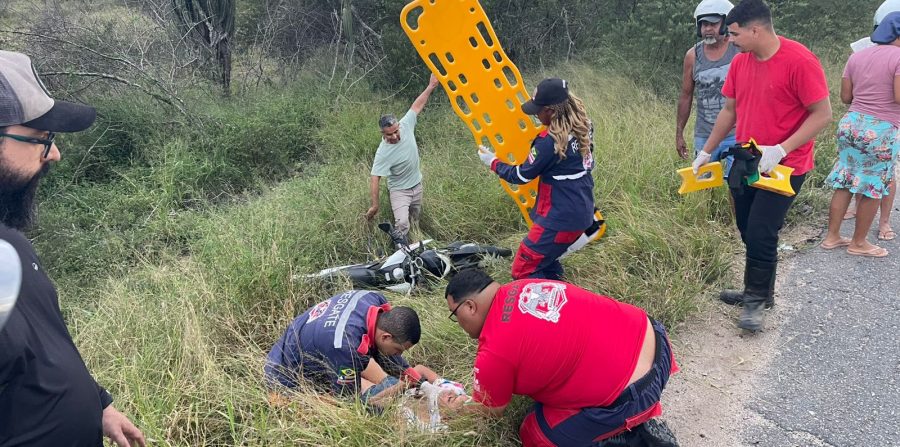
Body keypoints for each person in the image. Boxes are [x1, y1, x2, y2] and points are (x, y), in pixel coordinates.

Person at [0, 51, 145, 447]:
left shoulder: (12, 243)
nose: (55, 153)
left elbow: (46, 341)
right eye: (41, 139)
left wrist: (100, 404)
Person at [691, 0, 832, 331]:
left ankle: (755, 300)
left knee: (761, 230)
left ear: (755, 30)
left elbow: (823, 114)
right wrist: (706, 152)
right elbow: (729, 110)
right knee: (746, 226)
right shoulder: (741, 62)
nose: (730, 39)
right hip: (748, 160)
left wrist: (781, 149)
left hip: (786, 165)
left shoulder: (800, 61)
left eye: (734, 33)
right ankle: (760, 290)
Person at [438, 269, 679, 446]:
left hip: (637, 391)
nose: (458, 322)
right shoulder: (523, 286)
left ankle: (636, 439)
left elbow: (489, 411)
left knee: (536, 433)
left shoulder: (493, 351)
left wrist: (456, 407)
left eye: (454, 314)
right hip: (656, 339)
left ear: (470, 307)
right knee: (551, 401)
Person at [478, 78, 596, 280]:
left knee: (522, 270)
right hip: (583, 210)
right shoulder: (585, 126)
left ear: (550, 111)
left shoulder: (548, 143)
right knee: (546, 259)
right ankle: (555, 282)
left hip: (559, 218)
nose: (536, 116)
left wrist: (493, 162)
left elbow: (521, 175)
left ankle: (547, 295)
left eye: (538, 111)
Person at [264, 290, 438, 408]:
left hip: (307, 332)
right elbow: (350, 401)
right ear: (385, 337)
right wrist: (393, 395)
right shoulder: (346, 347)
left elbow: (387, 356)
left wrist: (412, 376)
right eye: (398, 350)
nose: (398, 355)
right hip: (285, 369)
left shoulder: (374, 298)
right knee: (329, 406)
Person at [821, 12, 900, 258]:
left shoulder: (858, 56)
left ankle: (832, 237)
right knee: (873, 184)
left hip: (851, 124)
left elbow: (846, 97)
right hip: (881, 130)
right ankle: (858, 242)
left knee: (846, 178)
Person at [365, 74, 441, 243]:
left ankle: (415, 246)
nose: (394, 136)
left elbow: (417, 105)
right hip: (399, 191)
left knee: (414, 221)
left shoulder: (406, 124)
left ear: (399, 125)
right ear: (382, 133)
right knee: (402, 224)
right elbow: (375, 177)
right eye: (389, 134)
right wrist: (375, 206)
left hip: (417, 185)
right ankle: (400, 251)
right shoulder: (383, 152)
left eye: (395, 131)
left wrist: (430, 86)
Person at [676, 0, 739, 182]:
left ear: (725, 23)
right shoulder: (692, 56)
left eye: (713, 24)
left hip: (737, 133)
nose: (708, 29)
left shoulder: (739, 50)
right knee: (702, 184)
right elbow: (686, 96)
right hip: (705, 133)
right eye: (704, 24)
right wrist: (679, 133)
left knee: (737, 185)